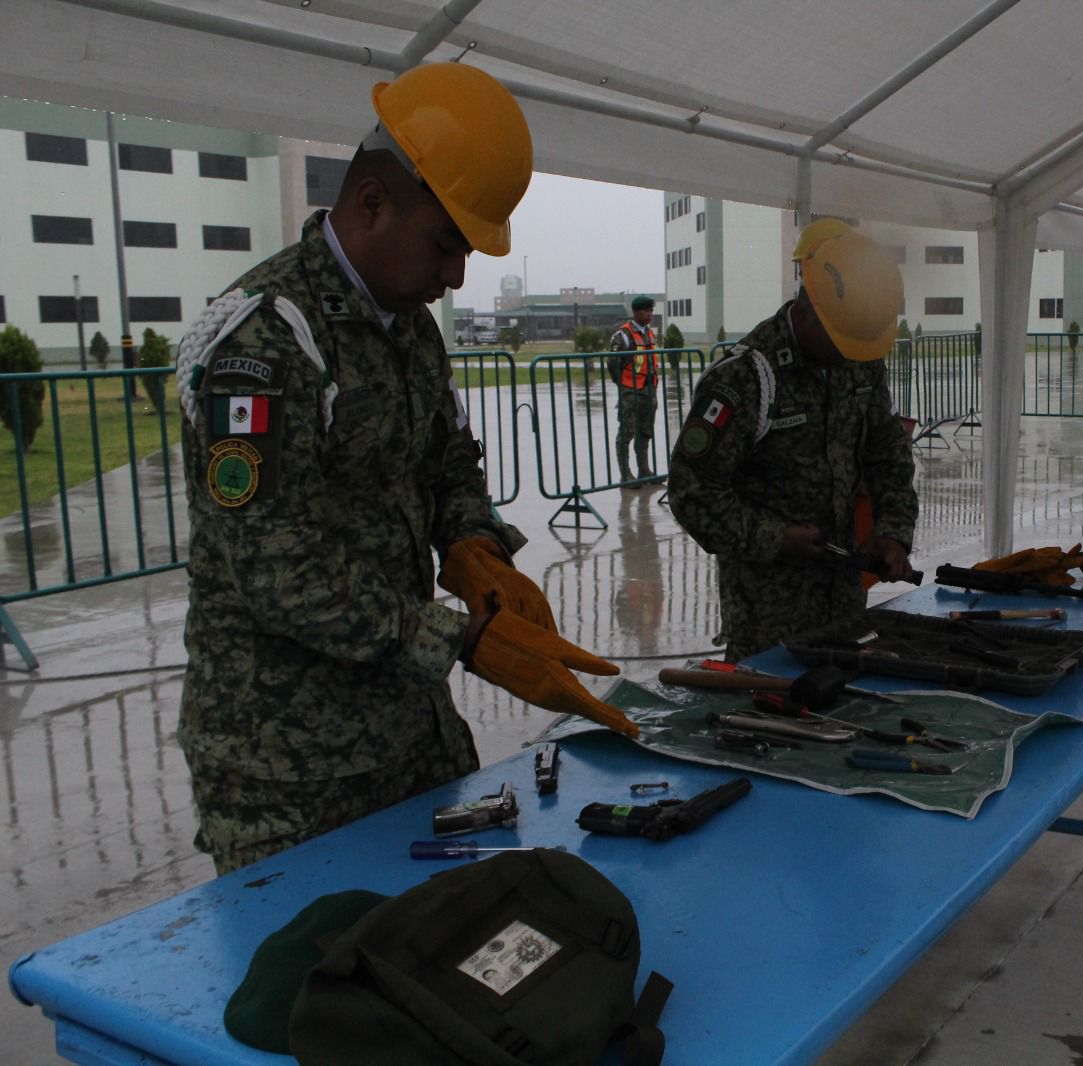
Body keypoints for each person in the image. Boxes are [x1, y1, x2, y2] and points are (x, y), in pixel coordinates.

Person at [175, 63, 629, 875]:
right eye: (448, 242)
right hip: (289, 768)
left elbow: (449, 459)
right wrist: (462, 637)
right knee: (314, 983)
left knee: (452, 947)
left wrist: (475, 549)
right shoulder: (265, 339)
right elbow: (273, 570)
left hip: (407, 728)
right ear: (373, 202)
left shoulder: (409, 329)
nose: (457, 275)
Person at [668, 229, 918, 661]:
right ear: (807, 313)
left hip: (843, 607)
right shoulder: (745, 377)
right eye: (842, 344)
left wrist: (892, 532)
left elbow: (887, 452)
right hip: (768, 621)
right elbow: (693, 493)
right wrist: (775, 538)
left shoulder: (858, 364)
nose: (849, 358)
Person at [608, 295, 660, 482]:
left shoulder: (649, 333)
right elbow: (613, 364)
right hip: (631, 392)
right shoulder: (623, 335)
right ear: (636, 312)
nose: (649, 314)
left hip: (649, 390)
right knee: (627, 432)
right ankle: (625, 474)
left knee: (645, 432)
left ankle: (644, 470)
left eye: (651, 310)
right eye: (646, 310)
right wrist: (624, 385)